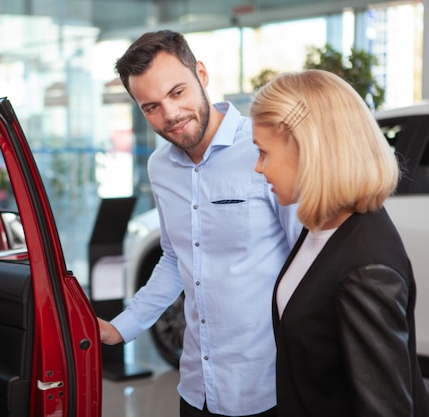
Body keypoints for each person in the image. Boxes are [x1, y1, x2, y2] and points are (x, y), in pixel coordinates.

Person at [98, 30, 302, 417]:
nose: (169, 115)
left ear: (202, 75)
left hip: (268, 388)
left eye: (177, 93)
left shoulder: (264, 149)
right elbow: (175, 258)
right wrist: (122, 327)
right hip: (196, 387)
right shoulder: (160, 166)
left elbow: (307, 260)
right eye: (151, 106)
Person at [249, 69, 429, 417]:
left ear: (306, 148)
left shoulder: (366, 267)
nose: (258, 168)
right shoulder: (322, 225)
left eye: (263, 152)